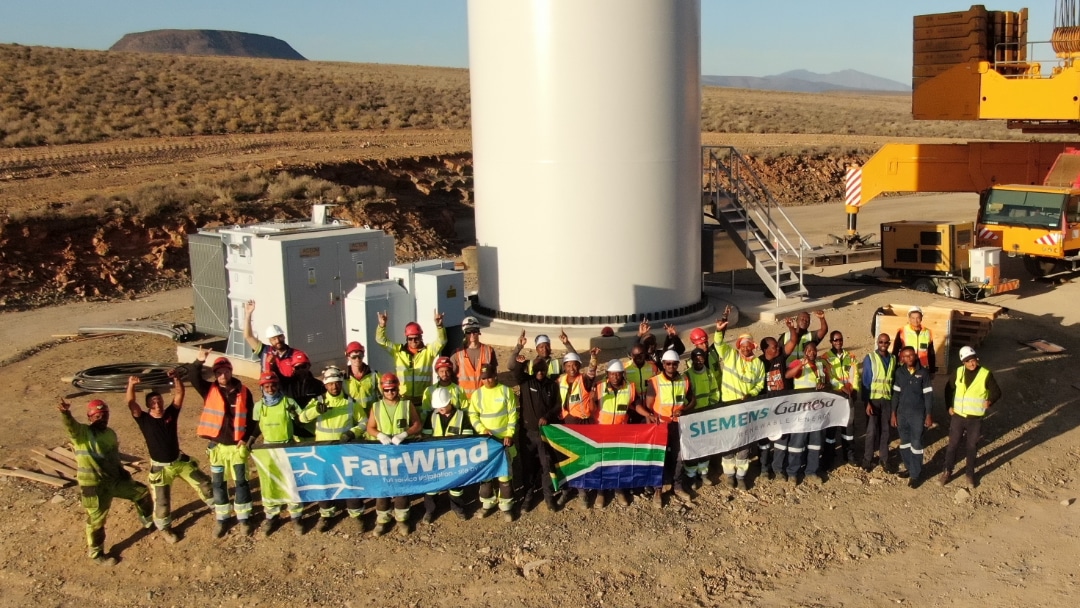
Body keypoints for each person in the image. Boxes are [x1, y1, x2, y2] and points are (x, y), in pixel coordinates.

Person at [60, 396, 153, 566]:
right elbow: (70, 426)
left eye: (105, 415)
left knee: (142, 492)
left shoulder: (110, 434)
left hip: (114, 481)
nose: (102, 419)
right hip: (93, 487)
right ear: (90, 417)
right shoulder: (81, 434)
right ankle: (96, 554)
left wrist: (122, 471)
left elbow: (113, 457)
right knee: (96, 522)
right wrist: (65, 413)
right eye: (98, 416)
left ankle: (148, 522)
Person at [126, 370, 212, 544]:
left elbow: (180, 393)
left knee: (204, 483)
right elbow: (131, 403)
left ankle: (216, 506)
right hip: (160, 468)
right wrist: (131, 385)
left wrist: (176, 378)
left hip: (179, 461)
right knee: (162, 502)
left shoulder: (170, 414)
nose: (157, 404)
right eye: (153, 401)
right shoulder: (143, 419)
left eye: (159, 400)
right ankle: (164, 528)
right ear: (148, 405)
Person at [191, 351, 255, 538]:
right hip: (217, 448)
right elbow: (193, 376)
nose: (222, 376)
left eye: (226, 371)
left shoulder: (244, 392)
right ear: (214, 374)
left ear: (230, 371)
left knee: (241, 482)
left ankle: (244, 518)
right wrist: (199, 361)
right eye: (219, 372)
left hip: (237, 447)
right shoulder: (209, 389)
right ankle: (222, 518)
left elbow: (252, 418)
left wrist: (247, 438)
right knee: (218, 484)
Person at [298, 366, 368, 533]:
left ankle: (356, 515)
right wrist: (315, 411)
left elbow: (364, 422)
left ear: (341, 383)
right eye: (330, 384)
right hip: (324, 452)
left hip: (344, 451)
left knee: (350, 482)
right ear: (325, 385)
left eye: (337, 383)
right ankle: (327, 515)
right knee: (325, 483)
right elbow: (301, 418)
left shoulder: (351, 403)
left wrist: (352, 432)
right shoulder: (319, 401)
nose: (334, 387)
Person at [247, 371, 304, 536]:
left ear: (278, 386)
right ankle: (272, 516)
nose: (270, 389)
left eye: (273, 385)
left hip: (288, 447)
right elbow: (258, 426)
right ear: (262, 387)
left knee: (290, 481)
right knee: (269, 483)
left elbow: (301, 421)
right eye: (266, 386)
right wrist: (251, 440)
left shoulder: (288, 402)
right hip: (268, 450)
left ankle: (296, 516)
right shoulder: (259, 406)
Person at [714, 308, 765, 489]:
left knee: (744, 443)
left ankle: (741, 475)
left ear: (752, 346)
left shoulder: (758, 364)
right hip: (728, 406)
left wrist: (751, 394)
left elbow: (760, 384)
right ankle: (729, 475)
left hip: (746, 407)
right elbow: (718, 344)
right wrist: (720, 329)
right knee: (729, 441)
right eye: (742, 344)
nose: (745, 347)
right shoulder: (730, 356)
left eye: (748, 344)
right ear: (738, 345)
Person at [366, 373, 423, 536]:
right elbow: (370, 427)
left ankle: (402, 519)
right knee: (383, 487)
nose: (390, 393)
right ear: (382, 390)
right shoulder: (376, 407)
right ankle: (382, 520)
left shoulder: (406, 404)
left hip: (402, 450)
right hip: (383, 452)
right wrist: (379, 435)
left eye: (393, 389)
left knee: (401, 485)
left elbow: (417, 424)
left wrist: (405, 434)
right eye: (387, 390)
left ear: (398, 388)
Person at [637, 349, 694, 506]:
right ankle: (658, 488)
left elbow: (692, 400)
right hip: (661, 426)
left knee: (678, 455)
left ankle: (677, 485)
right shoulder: (654, 382)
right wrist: (652, 418)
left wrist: (684, 409)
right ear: (663, 364)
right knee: (659, 456)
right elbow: (648, 406)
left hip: (678, 425)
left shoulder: (684, 380)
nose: (671, 366)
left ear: (678, 364)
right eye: (668, 363)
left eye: (674, 363)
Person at [939, 346, 1001, 488]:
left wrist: (990, 401)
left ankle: (969, 474)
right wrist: (949, 405)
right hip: (958, 417)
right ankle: (947, 472)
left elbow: (997, 392)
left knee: (971, 446)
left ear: (977, 359)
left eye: (973, 360)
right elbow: (948, 389)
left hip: (975, 418)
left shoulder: (985, 374)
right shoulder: (958, 372)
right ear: (963, 363)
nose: (971, 363)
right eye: (968, 361)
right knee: (952, 445)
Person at [469, 365, 519, 521]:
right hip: (486, 442)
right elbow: (473, 415)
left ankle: (506, 507)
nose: (487, 380)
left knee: (504, 477)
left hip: (503, 442)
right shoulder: (477, 395)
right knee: (486, 476)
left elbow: (512, 415)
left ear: (495, 376)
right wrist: (481, 429)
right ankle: (487, 505)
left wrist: (509, 434)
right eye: (483, 378)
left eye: (489, 377)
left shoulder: (505, 391)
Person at [421, 386, 474, 522]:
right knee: (432, 486)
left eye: (443, 405)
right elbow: (426, 437)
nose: (440, 409)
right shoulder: (431, 417)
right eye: (438, 407)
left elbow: (467, 437)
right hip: (435, 458)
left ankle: (457, 508)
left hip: (455, 459)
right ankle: (430, 510)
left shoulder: (462, 416)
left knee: (456, 485)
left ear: (449, 401)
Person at [376, 310, 446, 411]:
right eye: (410, 338)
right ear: (406, 338)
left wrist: (439, 326)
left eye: (416, 338)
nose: (413, 341)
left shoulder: (428, 351)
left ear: (421, 337)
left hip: (423, 402)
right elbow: (381, 340)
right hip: (403, 401)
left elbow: (442, 341)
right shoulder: (398, 351)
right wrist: (382, 326)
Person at [518, 356, 563, 512]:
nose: (540, 372)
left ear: (546, 370)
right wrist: (520, 360)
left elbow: (558, 405)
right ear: (532, 370)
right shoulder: (526, 382)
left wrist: (547, 416)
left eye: (543, 370)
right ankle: (528, 497)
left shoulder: (552, 385)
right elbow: (515, 370)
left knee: (547, 465)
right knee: (528, 466)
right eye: (537, 370)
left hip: (545, 433)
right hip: (528, 433)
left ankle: (549, 497)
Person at [592, 359, 639, 506]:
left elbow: (635, 404)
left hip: (620, 432)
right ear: (607, 374)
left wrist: (649, 415)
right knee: (602, 462)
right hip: (602, 431)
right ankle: (601, 492)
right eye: (612, 374)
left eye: (618, 374)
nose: (615, 377)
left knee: (619, 462)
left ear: (622, 374)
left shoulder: (630, 388)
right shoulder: (599, 387)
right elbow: (590, 405)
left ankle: (619, 491)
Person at [785, 342, 830, 485]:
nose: (812, 352)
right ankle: (793, 472)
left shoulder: (821, 365)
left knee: (815, 443)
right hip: (801, 411)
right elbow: (788, 375)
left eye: (814, 350)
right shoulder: (798, 362)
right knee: (797, 442)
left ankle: (811, 471)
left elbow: (828, 383)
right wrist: (801, 365)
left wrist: (824, 385)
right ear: (804, 351)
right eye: (808, 350)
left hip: (817, 411)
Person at [890, 346, 933, 488]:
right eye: (905, 356)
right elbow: (896, 394)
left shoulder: (924, 373)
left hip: (917, 415)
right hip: (902, 414)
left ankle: (915, 474)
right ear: (902, 358)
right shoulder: (899, 372)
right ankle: (909, 467)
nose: (908, 358)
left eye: (911, 356)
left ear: (915, 356)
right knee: (905, 443)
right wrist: (893, 413)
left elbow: (928, 395)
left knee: (916, 444)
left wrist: (928, 415)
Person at [683, 348, 719, 488]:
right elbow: (684, 395)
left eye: (701, 358)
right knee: (692, 446)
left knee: (705, 446)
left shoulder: (709, 374)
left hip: (706, 415)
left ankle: (703, 474)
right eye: (696, 358)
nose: (699, 360)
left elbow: (714, 393)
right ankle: (691, 476)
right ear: (691, 359)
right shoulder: (687, 375)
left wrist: (710, 409)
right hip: (692, 416)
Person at [860, 333, 896, 473]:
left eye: (886, 342)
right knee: (871, 431)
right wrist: (867, 402)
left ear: (889, 343)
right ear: (877, 342)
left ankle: (884, 459)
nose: (883, 344)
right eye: (881, 342)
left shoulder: (893, 359)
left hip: (887, 400)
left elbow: (893, 382)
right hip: (873, 400)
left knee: (886, 431)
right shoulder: (870, 358)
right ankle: (867, 459)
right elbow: (865, 382)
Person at [760, 335, 795, 481]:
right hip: (765, 408)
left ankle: (778, 469)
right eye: (774, 347)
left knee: (782, 438)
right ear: (765, 349)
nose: (778, 348)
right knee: (764, 441)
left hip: (782, 407)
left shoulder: (780, 359)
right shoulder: (759, 363)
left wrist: (792, 329)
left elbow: (793, 342)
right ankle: (764, 468)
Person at [823, 330, 859, 467]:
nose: (838, 342)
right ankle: (829, 457)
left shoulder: (851, 356)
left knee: (848, 428)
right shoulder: (825, 358)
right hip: (834, 397)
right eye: (835, 340)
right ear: (831, 342)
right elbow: (829, 376)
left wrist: (854, 389)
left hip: (848, 396)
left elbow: (855, 374)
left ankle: (849, 455)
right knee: (831, 429)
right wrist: (840, 387)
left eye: (840, 339)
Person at [242, 299, 302, 379]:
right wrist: (248, 314)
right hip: (269, 388)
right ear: (269, 340)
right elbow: (248, 336)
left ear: (284, 336)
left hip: (287, 389)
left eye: (279, 337)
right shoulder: (265, 351)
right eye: (273, 339)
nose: (277, 341)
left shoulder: (294, 354)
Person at [450, 316, 498, 398]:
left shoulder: (489, 351)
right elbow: (451, 378)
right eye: (468, 332)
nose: (472, 334)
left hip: (484, 398)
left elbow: (494, 375)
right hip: (464, 400)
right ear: (464, 333)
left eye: (474, 331)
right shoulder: (457, 354)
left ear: (479, 332)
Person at [280, 350, 323, 439]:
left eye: (303, 366)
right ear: (293, 369)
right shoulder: (288, 385)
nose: (301, 370)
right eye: (297, 368)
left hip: (313, 432)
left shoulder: (318, 385)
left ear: (309, 366)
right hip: (295, 433)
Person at [508, 330, 577, 384]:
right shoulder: (529, 364)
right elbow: (511, 365)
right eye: (541, 347)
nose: (545, 349)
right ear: (536, 349)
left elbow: (575, 361)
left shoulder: (558, 363)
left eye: (547, 346)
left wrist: (567, 343)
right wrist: (519, 346)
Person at [893, 306, 936, 376]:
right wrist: (894, 368)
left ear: (921, 318)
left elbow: (931, 353)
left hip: (922, 368)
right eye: (913, 318)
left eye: (918, 318)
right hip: (905, 367)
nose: (915, 320)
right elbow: (895, 351)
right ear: (909, 318)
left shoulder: (928, 332)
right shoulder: (902, 331)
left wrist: (932, 370)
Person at [558, 352, 596, 425]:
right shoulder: (561, 381)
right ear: (564, 367)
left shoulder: (584, 380)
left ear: (579, 366)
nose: (571, 368)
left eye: (574, 365)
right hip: (568, 419)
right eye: (568, 366)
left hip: (584, 421)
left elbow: (591, 371)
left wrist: (593, 358)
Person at [344, 341, 380, 416]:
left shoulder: (374, 374)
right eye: (354, 357)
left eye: (359, 356)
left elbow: (385, 395)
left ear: (363, 356)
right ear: (348, 357)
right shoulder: (343, 378)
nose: (357, 359)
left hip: (372, 416)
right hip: (354, 417)